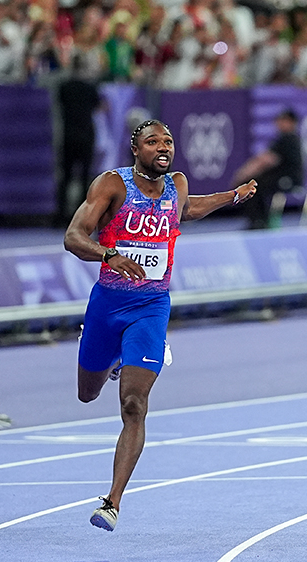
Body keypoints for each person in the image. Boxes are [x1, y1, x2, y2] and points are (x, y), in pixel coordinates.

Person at [65, 119, 256, 531]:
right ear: (136, 149)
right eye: (153, 142)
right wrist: (107, 255)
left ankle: (112, 502)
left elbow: (190, 209)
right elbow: (73, 236)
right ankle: (113, 354)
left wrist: (233, 196)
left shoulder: (178, 184)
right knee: (86, 394)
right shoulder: (112, 186)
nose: (163, 147)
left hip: (152, 306)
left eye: (168, 141)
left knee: (133, 404)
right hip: (107, 305)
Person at [233, 108, 303, 230]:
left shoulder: (288, 139)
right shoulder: (282, 139)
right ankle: (260, 220)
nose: (279, 124)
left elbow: (266, 160)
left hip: (289, 179)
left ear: (291, 122)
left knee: (252, 187)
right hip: (281, 177)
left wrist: (243, 174)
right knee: (256, 184)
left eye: (283, 121)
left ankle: (259, 222)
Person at [55, 65, 102, 228]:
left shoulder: (65, 87)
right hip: (86, 136)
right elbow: (99, 106)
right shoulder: (90, 88)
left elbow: (60, 103)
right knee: (84, 178)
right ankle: (83, 218)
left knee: (66, 176)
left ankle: (60, 216)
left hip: (68, 136)